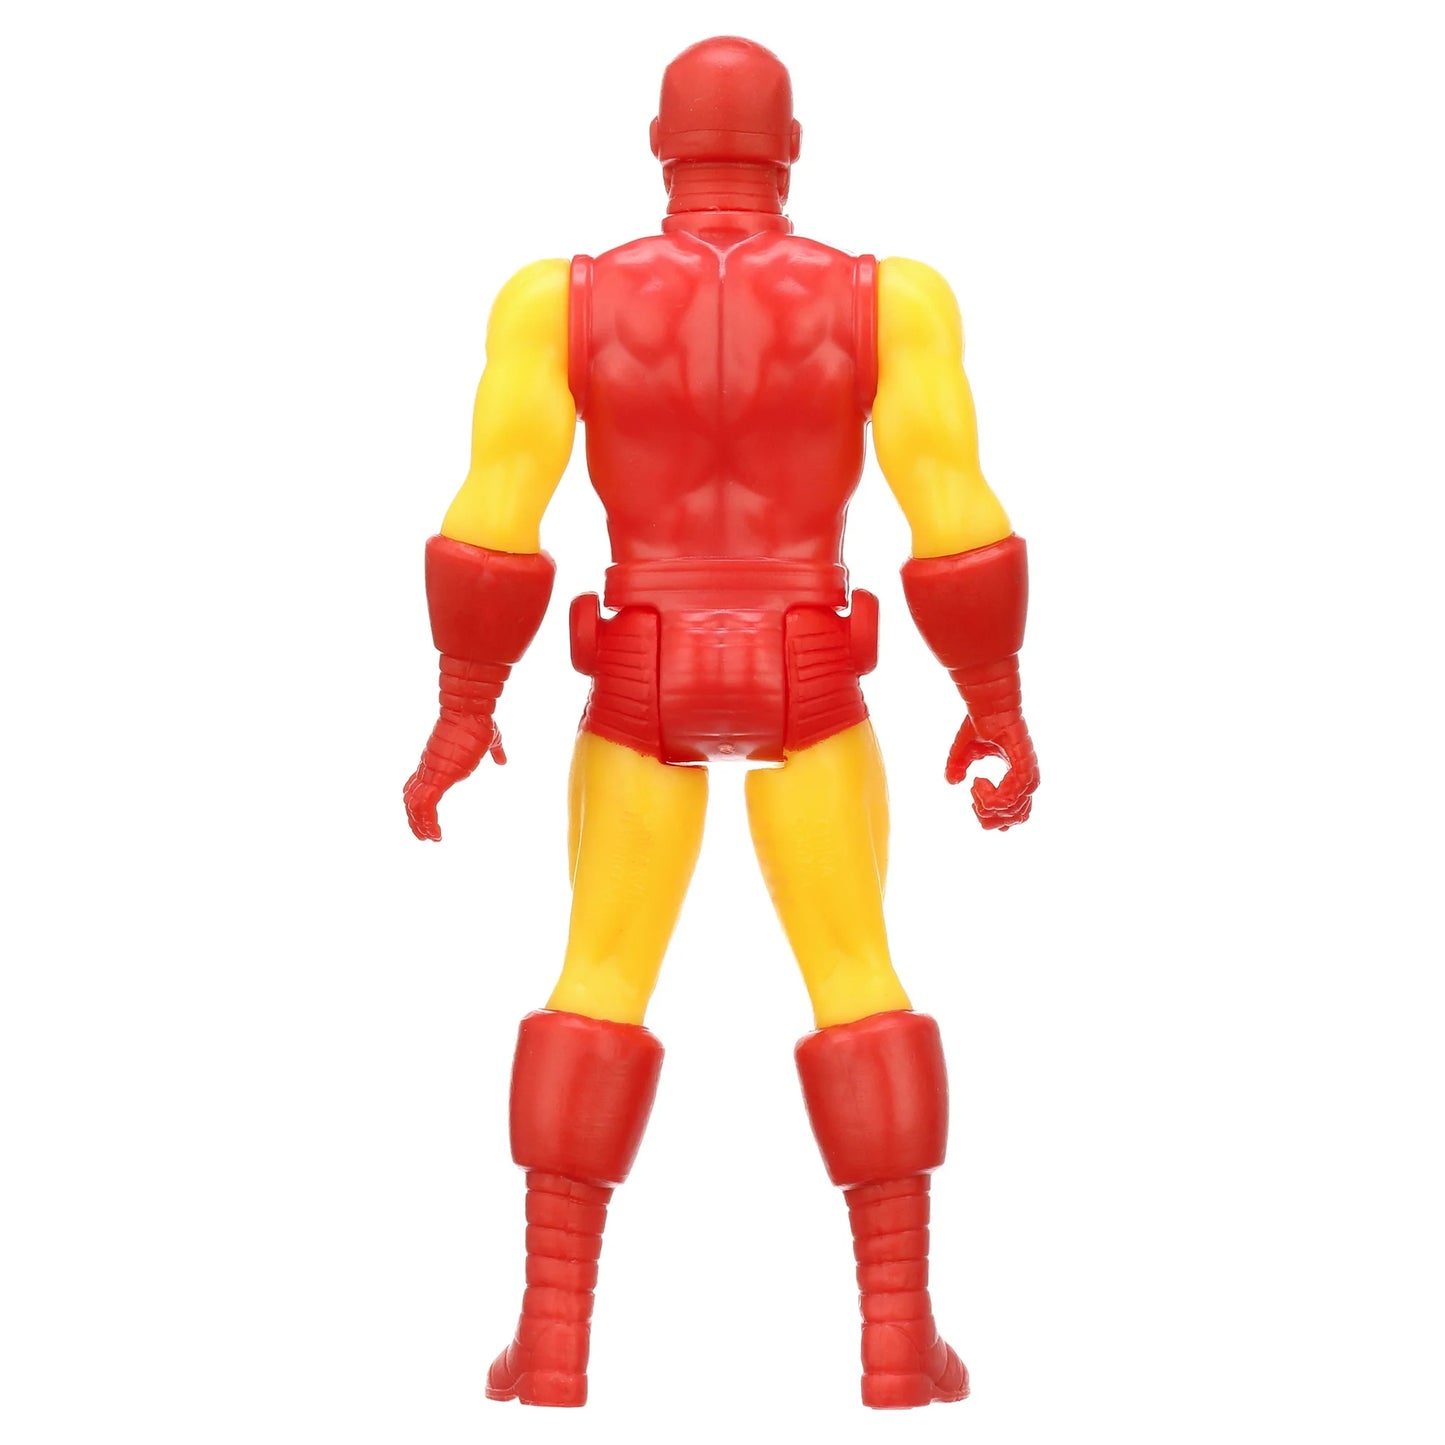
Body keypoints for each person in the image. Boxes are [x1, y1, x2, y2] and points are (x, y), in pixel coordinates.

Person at [403, 35, 1039, 1410]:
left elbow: (493, 515)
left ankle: (553, 1341)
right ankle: (896, 1341)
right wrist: (992, 700)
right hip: (807, 667)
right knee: (858, 971)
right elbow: (953, 512)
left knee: (595, 975)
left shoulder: (557, 301)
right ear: (788, 149)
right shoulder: (887, 300)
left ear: (661, 147)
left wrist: (463, 708)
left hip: (643, 669)